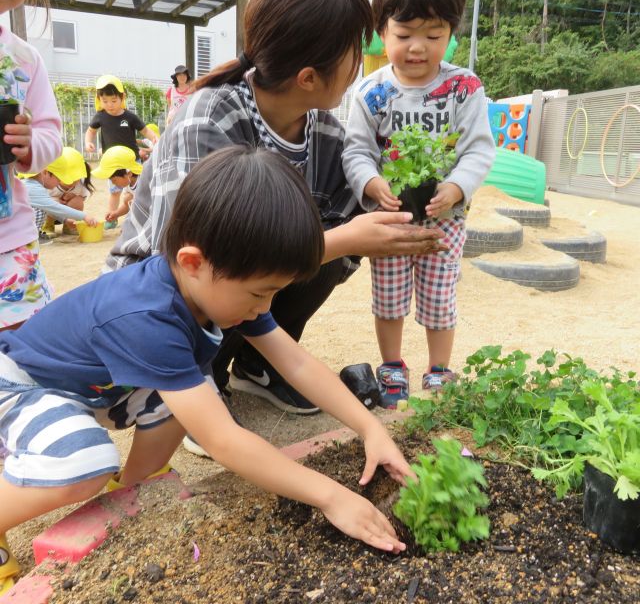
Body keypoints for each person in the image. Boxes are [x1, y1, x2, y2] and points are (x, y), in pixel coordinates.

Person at [0, 147, 413, 595]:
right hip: (22, 387)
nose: (265, 307)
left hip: (95, 389)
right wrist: (331, 495)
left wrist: (370, 428)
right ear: (193, 261)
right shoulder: (147, 314)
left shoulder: (221, 284)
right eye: (261, 293)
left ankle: (135, 491)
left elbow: (294, 360)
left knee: (193, 398)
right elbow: (222, 441)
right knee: (86, 461)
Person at [105, 0, 446, 446]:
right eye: (353, 52)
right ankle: (193, 380)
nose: (359, 64)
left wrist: (414, 206)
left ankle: (256, 365)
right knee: (328, 241)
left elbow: (363, 211)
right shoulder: (210, 115)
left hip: (235, 285)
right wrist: (345, 238)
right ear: (309, 76)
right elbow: (188, 260)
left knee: (334, 244)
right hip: (165, 289)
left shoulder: (323, 132)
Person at [342, 0, 496, 407]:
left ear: (451, 31)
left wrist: (458, 186)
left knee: (439, 297)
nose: (417, 47)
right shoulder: (371, 92)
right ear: (382, 30)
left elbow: (479, 150)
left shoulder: (464, 87)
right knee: (388, 298)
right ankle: (392, 367)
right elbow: (355, 151)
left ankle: (438, 370)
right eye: (405, 32)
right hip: (390, 218)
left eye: (433, 34)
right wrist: (371, 184)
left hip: (443, 219)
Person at [0, 0, 63, 333]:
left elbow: (50, 135)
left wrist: (28, 145)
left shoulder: (23, 59)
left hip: (10, 239)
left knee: (20, 339)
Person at [84, 75, 158, 227]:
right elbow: (90, 131)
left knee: (136, 189)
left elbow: (144, 130)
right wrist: (88, 142)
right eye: (105, 101)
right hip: (111, 162)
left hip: (131, 160)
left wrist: (155, 138)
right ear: (99, 99)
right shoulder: (100, 116)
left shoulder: (129, 117)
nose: (110, 105)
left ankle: (137, 217)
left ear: (122, 97)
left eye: (113, 101)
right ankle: (112, 218)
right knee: (114, 191)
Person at [18, 150, 99, 239]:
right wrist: (84, 216)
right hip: (13, 229)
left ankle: (33, 233)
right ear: (45, 172)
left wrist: (65, 220)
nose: (59, 182)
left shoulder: (33, 185)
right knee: (38, 210)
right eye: (59, 178)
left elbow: (50, 208)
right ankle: (30, 236)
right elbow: (54, 207)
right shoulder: (33, 188)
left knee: (41, 208)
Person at [38, 147, 95, 237]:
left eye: (75, 178)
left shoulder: (80, 184)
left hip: (68, 213)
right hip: (50, 212)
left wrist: (73, 196)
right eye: (67, 178)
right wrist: (57, 200)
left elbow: (84, 196)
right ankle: (48, 226)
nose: (71, 182)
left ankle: (69, 227)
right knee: (51, 202)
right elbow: (42, 202)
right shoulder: (49, 183)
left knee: (78, 201)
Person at [91, 145, 142, 225]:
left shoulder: (143, 182)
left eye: (114, 180)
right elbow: (127, 205)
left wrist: (137, 203)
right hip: (142, 212)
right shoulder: (128, 183)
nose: (113, 183)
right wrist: (116, 214)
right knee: (127, 199)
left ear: (128, 174)